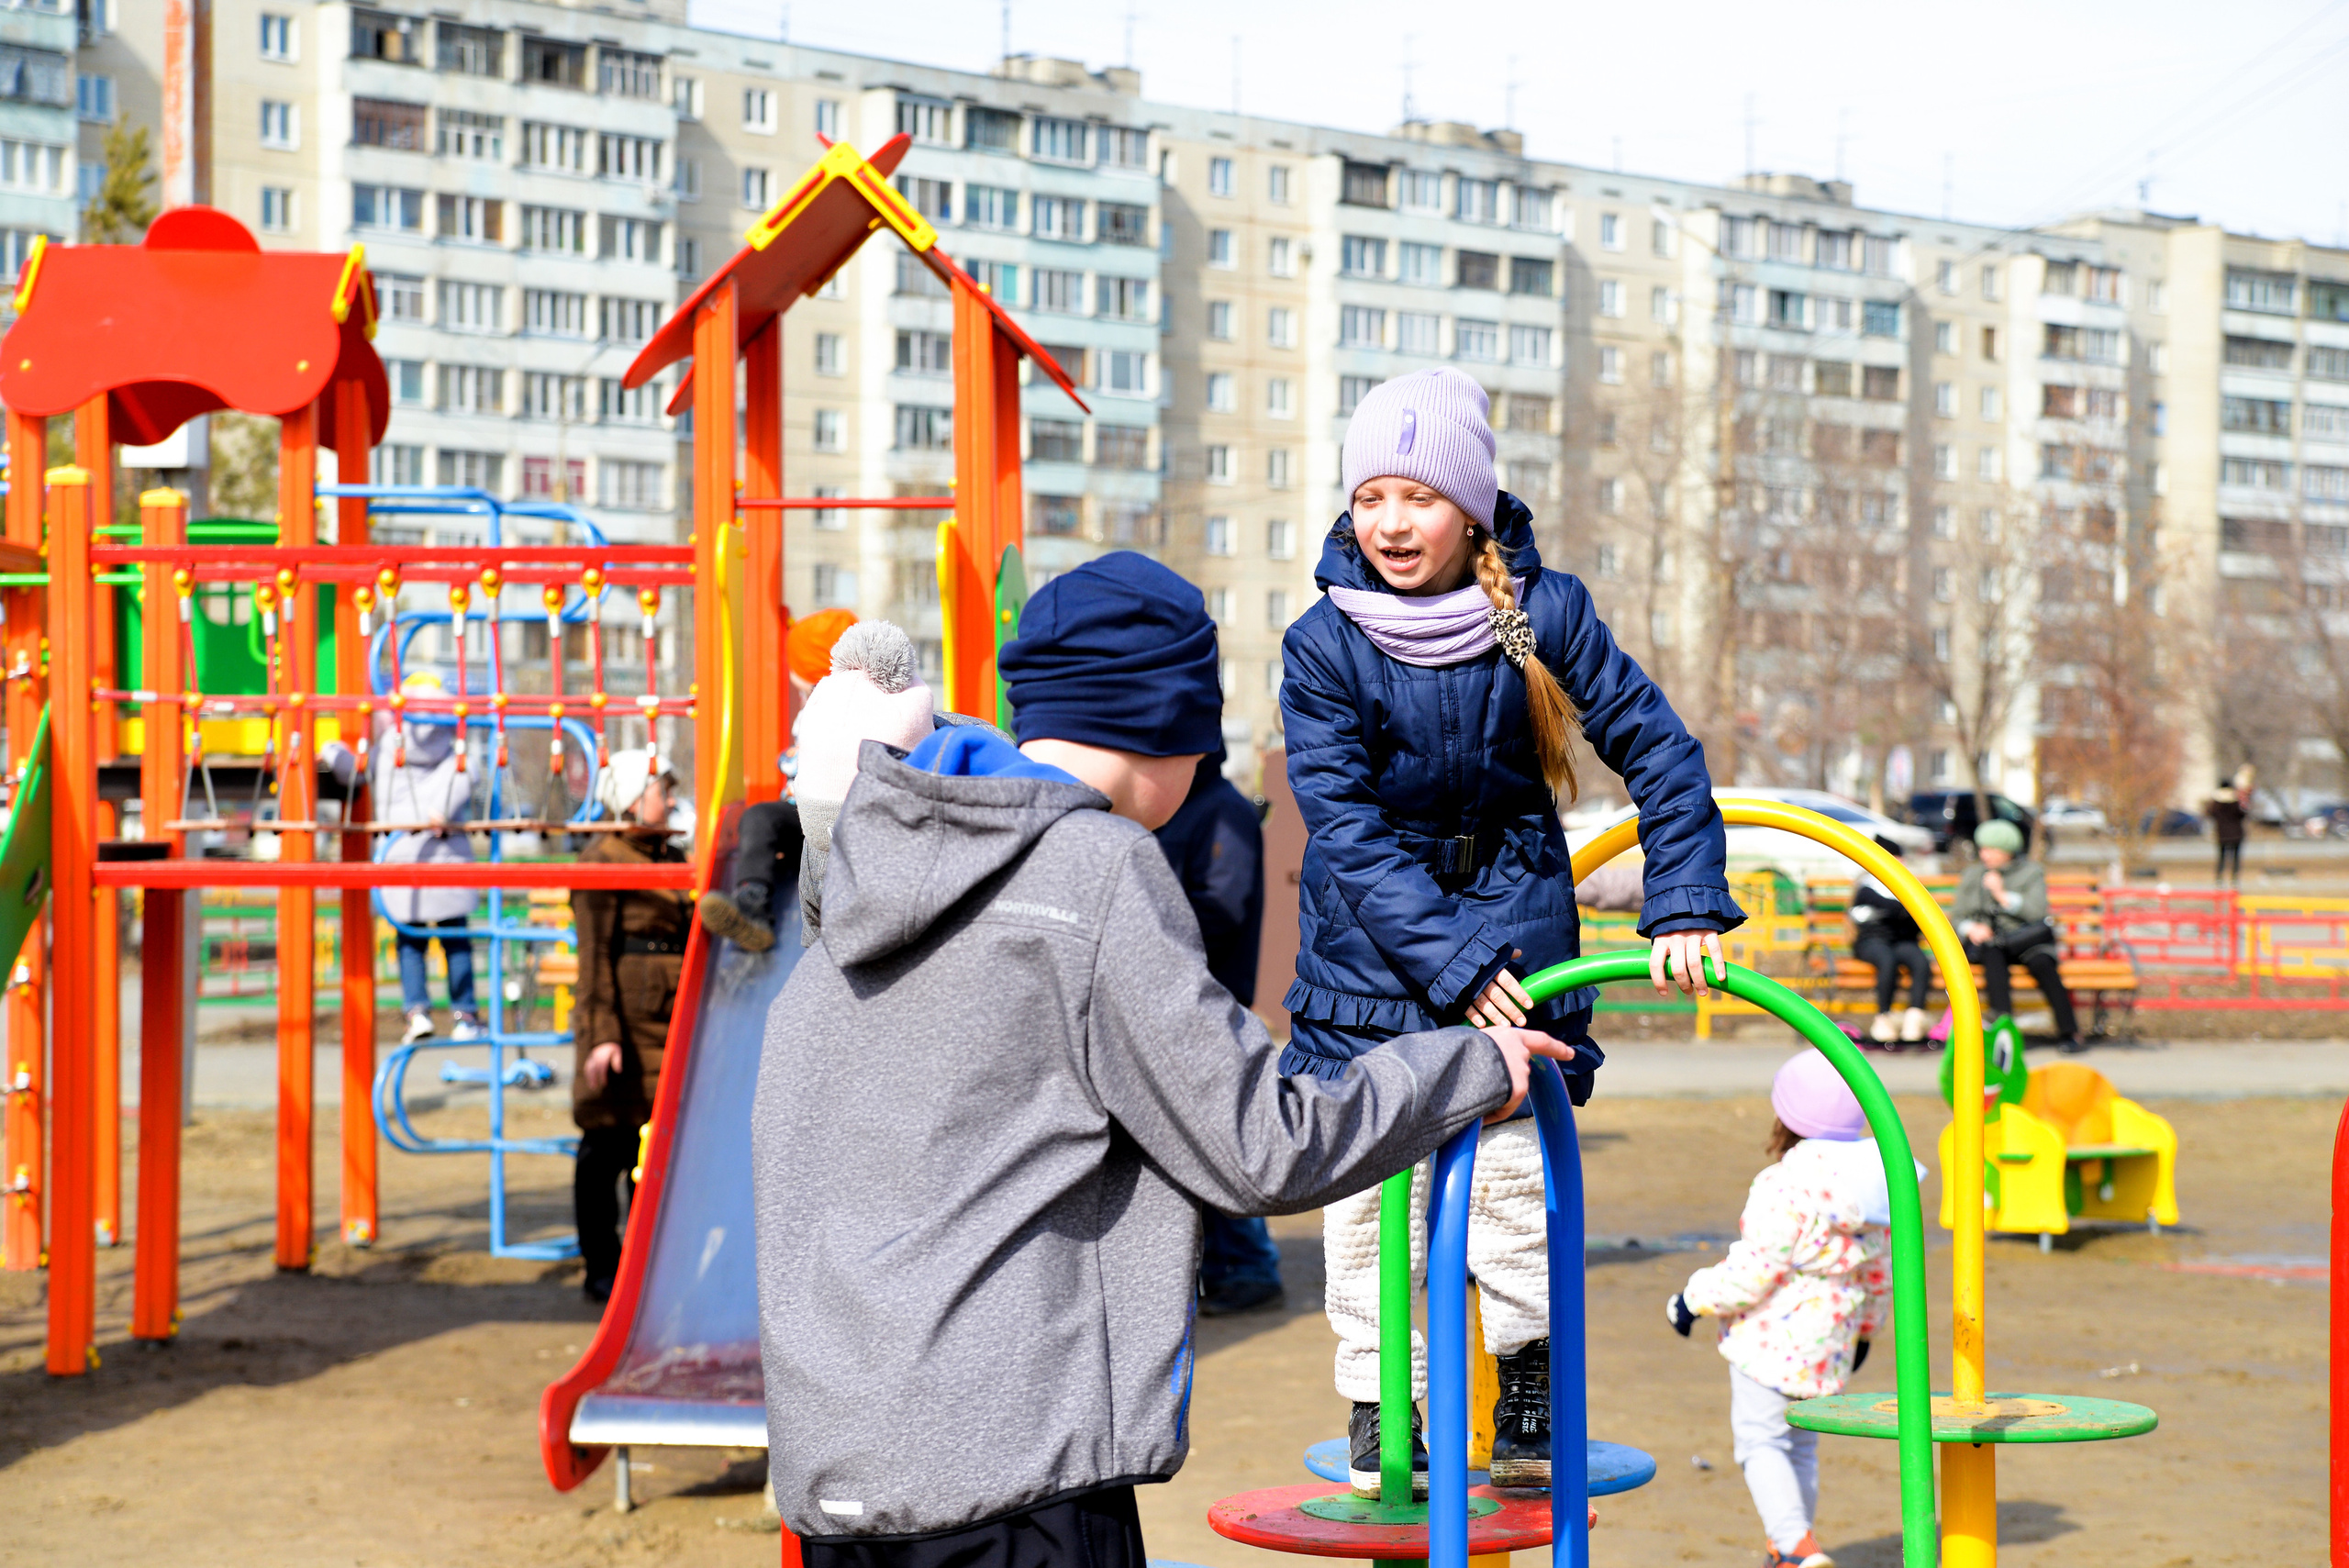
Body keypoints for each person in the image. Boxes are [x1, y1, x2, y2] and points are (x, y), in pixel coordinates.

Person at [751, 551, 1581, 1568]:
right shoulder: (1091, 869)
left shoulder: (875, 863)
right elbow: (1260, 1143)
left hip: (839, 1456)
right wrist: (1467, 1066)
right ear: (1169, 727)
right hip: (1008, 1463)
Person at [1282, 367, 1742, 1494]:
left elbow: (1659, 749)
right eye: (1371, 498)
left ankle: (1528, 1387)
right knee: (1366, 1200)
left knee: (1508, 1183)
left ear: (1472, 508)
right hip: (1370, 961)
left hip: (1517, 936)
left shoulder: (1534, 611)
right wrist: (1450, 960)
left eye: (1420, 498)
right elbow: (1343, 826)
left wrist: (1684, 896)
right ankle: (1381, 1401)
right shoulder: (1325, 641)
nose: (1392, 524)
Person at [1664, 1051, 1895, 1568]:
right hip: (1832, 1340)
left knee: (1760, 1442)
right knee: (1801, 1446)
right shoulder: (1873, 1188)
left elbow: (1753, 1272)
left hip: (1769, 1343)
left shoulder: (1784, 1184)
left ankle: (1793, 1544)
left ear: (1784, 1116)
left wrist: (1691, 1300)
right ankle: (1791, 1547)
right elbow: (1879, 1273)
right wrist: (1865, 1332)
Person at [1152, 750, 1282, 1316]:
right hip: (1185, 996)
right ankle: (1230, 1265)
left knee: (1221, 1139)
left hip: (1214, 999)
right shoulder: (1183, 804)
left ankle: (1248, 1268)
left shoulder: (1219, 809)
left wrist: (1147, 931)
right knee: (1202, 1139)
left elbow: (1223, 907)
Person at [570, 749, 693, 1304]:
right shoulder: (602, 860)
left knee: (654, 1149)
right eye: (661, 790)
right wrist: (602, 1036)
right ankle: (602, 1266)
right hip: (622, 1022)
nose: (670, 799)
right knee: (606, 1143)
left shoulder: (670, 854)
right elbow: (594, 957)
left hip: (668, 1020)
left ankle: (645, 1266)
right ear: (631, 798)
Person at [353, 672, 484, 1045]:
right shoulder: (456, 753)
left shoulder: (386, 750)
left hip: (400, 857)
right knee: (456, 940)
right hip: (447, 861)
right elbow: (464, 779)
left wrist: (331, 752)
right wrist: (439, 810)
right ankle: (465, 1014)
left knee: (410, 941)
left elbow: (355, 771)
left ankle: (418, 1012)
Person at [1954, 818, 2082, 1053]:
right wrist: (1972, 928)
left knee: (2044, 964)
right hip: (1991, 944)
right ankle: (2005, 1030)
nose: (1984, 855)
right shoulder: (1973, 875)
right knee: (1993, 955)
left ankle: (2069, 1032)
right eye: (1983, 849)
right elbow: (1959, 915)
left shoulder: (2030, 873)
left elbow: (2037, 912)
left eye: (1991, 849)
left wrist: (2002, 895)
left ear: (2008, 850)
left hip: (2025, 942)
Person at [1850, 835, 1930, 1045]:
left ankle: (1915, 1016)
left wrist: (1900, 913)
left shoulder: (1908, 885)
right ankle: (1883, 1017)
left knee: (1920, 962)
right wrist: (1902, 911)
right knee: (1887, 961)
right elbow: (1893, 907)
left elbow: (1916, 919)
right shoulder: (1868, 887)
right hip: (1872, 940)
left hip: (1901, 940)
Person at [2206, 774, 2249, 885]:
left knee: (2222, 857)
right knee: (2235, 857)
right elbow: (2243, 814)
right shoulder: (2235, 802)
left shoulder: (2216, 804)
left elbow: (2210, 813)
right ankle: (2234, 878)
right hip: (2236, 834)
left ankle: (2219, 877)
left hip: (2222, 834)